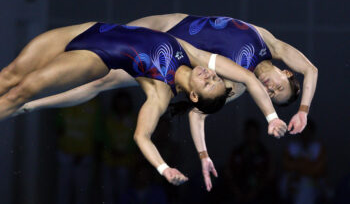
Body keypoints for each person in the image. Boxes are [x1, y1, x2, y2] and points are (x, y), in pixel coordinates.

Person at [12, 13, 317, 190]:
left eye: (273, 97)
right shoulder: (268, 41)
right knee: (106, 36)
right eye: (279, 88)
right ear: (286, 71)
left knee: (102, 79)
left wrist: (203, 155)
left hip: (169, 62)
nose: (271, 91)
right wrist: (302, 110)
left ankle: (33, 103)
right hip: (172, 23)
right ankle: (33, 78)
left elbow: (199, 114)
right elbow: (312, 70)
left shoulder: (234, 82)